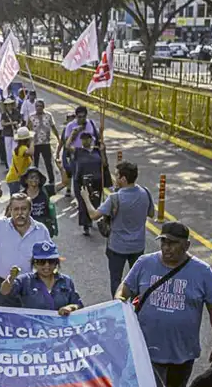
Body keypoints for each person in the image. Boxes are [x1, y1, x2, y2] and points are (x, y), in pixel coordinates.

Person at [117, 221, 212, 387]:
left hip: (183, 351)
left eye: (173, 243)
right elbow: (125, 288)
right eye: (164, 242)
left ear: (186, 245)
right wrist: (119, 301)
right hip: (148, 349)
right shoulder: (145, 263)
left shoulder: (202, 272)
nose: (167, 247)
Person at [79, 161, 155, 295]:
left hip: (117, 247)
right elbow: (151, 213)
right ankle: (136, 305)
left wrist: (85, 198)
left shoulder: (115, 198)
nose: (115, 179)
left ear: (123, 179)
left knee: (116, 279)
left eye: (117, 176)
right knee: (136, 278)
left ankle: (118, 305)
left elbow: (93, 215)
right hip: (138, 246)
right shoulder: (145, 192)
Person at [0, 187, 51, 307]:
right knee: (2, 322)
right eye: (16, 209)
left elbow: (50, 259)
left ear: (30, 210)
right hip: (4, 285)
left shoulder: (41, 230)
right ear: (10, 210)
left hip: (31, 287)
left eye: (24, 209)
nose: (20, 213)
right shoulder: (0, 226)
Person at [0, 241, 83, 315]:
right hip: (33, 330)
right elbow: (4, 291)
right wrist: (11, 278)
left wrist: (70, 308)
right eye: (41, 262)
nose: (47, 265)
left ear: (56, 263)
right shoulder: (25, 280)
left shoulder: (66, 281)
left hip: (60, 330)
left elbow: (78, 304)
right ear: (34, 263)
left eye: (51, 261)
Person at [72, 130, 106, 236]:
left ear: (91, 139)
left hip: (97, 180)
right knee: (83, 202)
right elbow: (67, 146)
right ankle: (86, 224)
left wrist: (103, 151)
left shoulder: (97, 151)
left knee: (95, 201)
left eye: (88, 138)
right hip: (83, 181)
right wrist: (73, 134)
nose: (86, 140)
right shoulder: (78, 151)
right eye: (83, 139)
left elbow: (104, 164)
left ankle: (92, 218)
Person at [58, 105, 101, 187]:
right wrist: (76, 132)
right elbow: (67, 142)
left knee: (93, 177)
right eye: (79, 117)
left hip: (90, 153)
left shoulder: (91, 123)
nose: (82, 119)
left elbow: (96, 136)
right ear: (76, 116)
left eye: (84, 117)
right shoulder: (70, 125)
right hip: (77, 154)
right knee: (78, 178)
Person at [26, 98, 57, 187]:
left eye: (40, 106)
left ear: (43, 106)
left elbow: (53, 127)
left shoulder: (48, 115)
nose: (38, 108)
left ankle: (52, 181)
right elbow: (27, 129)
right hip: (35, 144)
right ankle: (35, 180)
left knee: (48, 163)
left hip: (46, 143)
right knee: (35, 164)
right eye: (37, 106)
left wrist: (58, 138)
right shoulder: (31, 116)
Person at [20, 166, 57, 237]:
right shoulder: (21, 195)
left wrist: (61, 168)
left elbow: (64, 183)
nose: (34, 179)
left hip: (44, 230)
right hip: (28, 232)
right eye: (31, 177)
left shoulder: (46, 190)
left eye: (36, 177)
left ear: (39, 180)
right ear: (26, 180)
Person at [5, 127, 33, 194]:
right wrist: (32, 142)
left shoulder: (20, 147)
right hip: (15, 179)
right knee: (17, 201)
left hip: (15, 178)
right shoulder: (23, 148)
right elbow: (31, 152)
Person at [0, 96, 18, 168]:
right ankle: (10, 166)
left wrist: (18, 124)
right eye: (7, 105)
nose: (9, 106)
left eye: (10, 104)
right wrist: (11, 123)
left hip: (15, 133)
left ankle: (16, 165)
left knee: (15, 150)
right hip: (7, 133)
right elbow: (3, 124)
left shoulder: (16, 112)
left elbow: (19, 120)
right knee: (8, 151)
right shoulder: (4, 114)